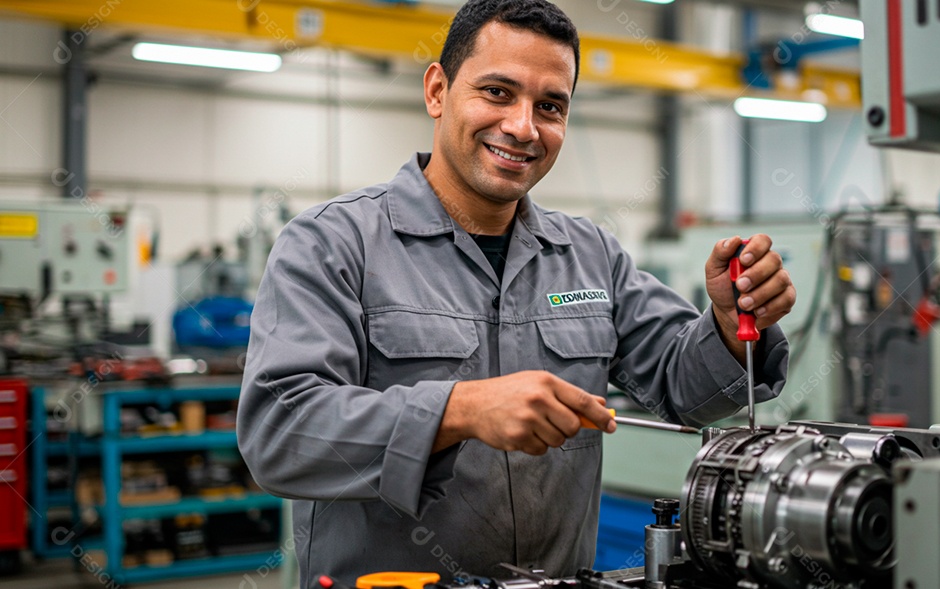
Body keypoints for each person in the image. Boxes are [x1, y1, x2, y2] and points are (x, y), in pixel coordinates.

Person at [237, 0, 794, 586]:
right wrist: (459, 410)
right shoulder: (333, 244)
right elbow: (279, 432)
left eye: (549, 106)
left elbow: (684, 389)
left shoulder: (590, 255)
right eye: (498, 92)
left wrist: (729, 325)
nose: (524, 127)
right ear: (437, 91)